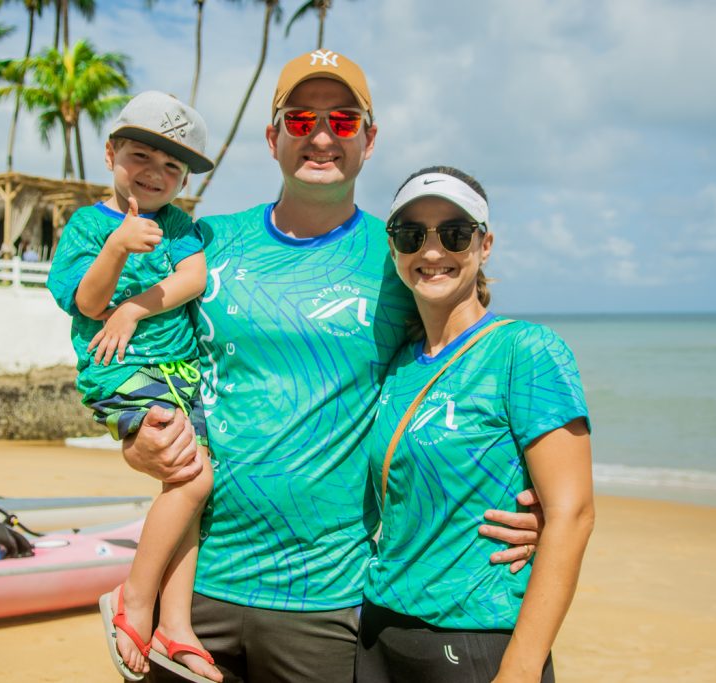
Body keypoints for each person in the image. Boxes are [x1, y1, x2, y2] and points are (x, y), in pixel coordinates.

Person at [109, 51, 545, 683]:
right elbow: (134, 350)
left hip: (331, 600)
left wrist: (531, 511)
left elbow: (469, 375)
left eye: (343, 122)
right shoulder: (202, 242)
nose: (320, 136)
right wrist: (131, 436)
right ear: (272, 135)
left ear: (369, 139)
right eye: (301, 118)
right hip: (192, 584)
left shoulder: (402, 257)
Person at [355, 166, 594, 682]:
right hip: (379, 633)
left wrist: (523, 667)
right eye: (412, 235)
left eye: (455, 233)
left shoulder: (524, 351)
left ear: (485, 246)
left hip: (476, 637)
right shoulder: (395, 365)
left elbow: (572, 513)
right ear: (395, 250)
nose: (433, 251)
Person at [46, 91, 223, 683]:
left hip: (181, 374)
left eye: (172, 166)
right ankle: (136, 600)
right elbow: (89, 303)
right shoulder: (88, 226)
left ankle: (177, 622)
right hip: (120, 370)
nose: (156, 172)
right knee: (192, 475)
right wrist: (119, 248)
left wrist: (137, 309)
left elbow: (194, 278)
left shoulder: (179, 226)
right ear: (110, 153)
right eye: (141, 154)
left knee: (192, 488)